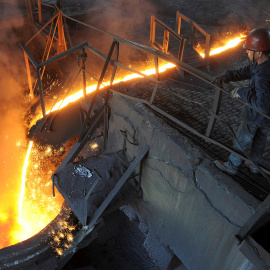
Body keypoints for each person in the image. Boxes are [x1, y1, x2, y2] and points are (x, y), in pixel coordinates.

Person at [213, 28, 270, 175]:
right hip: (266, 118)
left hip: (255, 116)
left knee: (242, 140)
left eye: (249, 50)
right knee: (260, 140)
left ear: (259, 52)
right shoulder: (263, 64)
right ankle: (254, 164)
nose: (246, 52)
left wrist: (241, 92)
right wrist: (226, 76)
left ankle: (232, 166)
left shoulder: (262, 76)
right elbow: (245, 71)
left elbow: (261, 105)